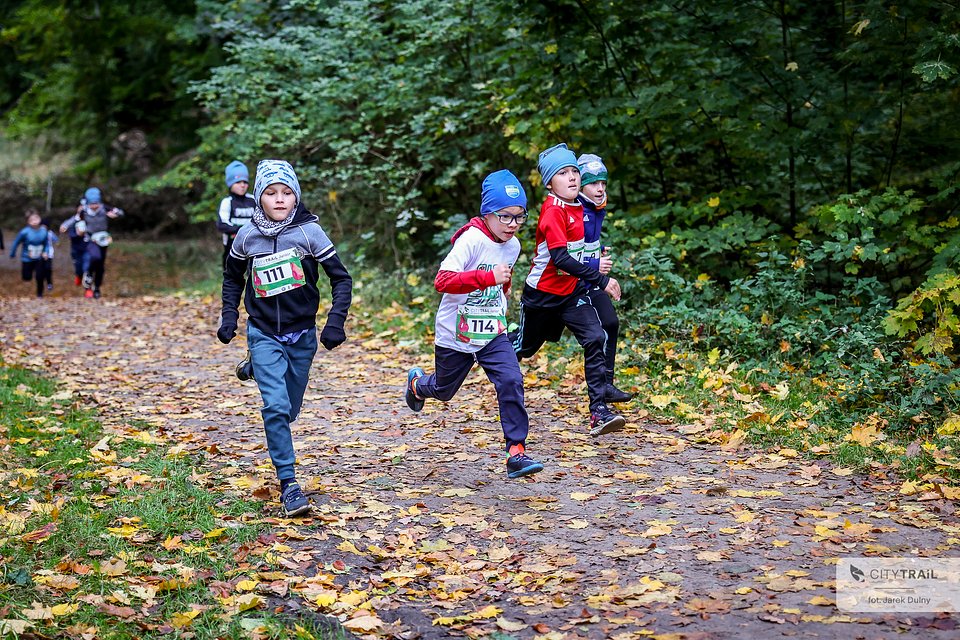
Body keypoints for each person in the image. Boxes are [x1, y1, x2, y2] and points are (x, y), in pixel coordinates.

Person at [218, 159, 353, 517]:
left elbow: (342, 279)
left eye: (286, 192)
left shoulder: (310, 233)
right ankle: (289, 484)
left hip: (302, 335)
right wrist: (229, 317)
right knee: (275, 408)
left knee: (289, 409)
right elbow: (232, 278)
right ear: (259, 198)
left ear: (296, 197)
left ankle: (258, 369)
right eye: (271, 193)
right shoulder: (246, 236)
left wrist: (335, 322)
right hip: (262, 330)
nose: (279, 199)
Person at [404, 170, 544, 479]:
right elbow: (442, 281)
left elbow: (501, 281)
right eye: (505, 217)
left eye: (519, 217)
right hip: (456, 332)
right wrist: (486, 277)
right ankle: (416, 385)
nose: (512, 225)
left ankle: (516, 452)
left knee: (511, 380)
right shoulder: (470, 240)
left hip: (493, 331)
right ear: (488, 213)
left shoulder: (514, 245)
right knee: (443, 390)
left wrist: (500, 290)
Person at [510, 143, 626, 437]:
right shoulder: (553, 211)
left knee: (596, 336)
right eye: (563, 173)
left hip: (571, 294)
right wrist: (601, 280)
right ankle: (480, 350)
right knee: (524, 348)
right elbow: (561, 258)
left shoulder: (579, 206)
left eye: (574, 171)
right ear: (550, 183)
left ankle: (599, 411)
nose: (573, 177)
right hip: (542, 296)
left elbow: (590, 227)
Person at [576, 153, 633, 403]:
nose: (600, 189)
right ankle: (499, 347)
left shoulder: (597, 208)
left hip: (591, 282)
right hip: (567, 286)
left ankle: (605, 386)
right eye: (593, 183)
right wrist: (595, 263)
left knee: (609, 323)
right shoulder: (575, 210)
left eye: (603, 183)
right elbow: (564, 257)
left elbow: (587, 243)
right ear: (580, 185)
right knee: (530, 343)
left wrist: (597, 251)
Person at [60, 187, 124, 298]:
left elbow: (121, 213)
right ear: (88, 203)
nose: (94, 206)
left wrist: (116, 214)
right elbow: (73, 220)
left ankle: (97, 288)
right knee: (95, 257)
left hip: (103, 239)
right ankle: (88, 273)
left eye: (97, 203)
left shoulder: (104, 208)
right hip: (90, 239)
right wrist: (65, 225)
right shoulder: (84, 211)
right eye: (92, 204)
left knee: (100, 266)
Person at [216, 160, 256, 269]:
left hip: (254, 246)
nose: (242, 185)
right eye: (238, 182)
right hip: (232, 247)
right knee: (232, 279)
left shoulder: (253, 200)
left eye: (245, 182)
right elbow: (221, 225)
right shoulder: (227, 202)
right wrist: (243, 230)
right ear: (230, 184)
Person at [9, 208, 52, 298]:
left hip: (39, 258)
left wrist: (46, 252)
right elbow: (16, 242)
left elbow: (46, 244)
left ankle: (39, 294)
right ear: (28, 222)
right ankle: (27, 280)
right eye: (31, 220)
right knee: (27, 277)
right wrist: (12, 253)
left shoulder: (44, 231)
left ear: (40, 218)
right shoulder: (24, 232)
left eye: (36, 218)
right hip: (27, 258)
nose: (34, 221)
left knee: (40, 276)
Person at [41, 217, 58, 292]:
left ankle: (49, 283)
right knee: (41, 269)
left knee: (48, 268)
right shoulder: (38, 233)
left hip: (49, 254)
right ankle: (41, 283)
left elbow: (57, 240)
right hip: (40, 253)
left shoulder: (50, 233)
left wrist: (57, 243)